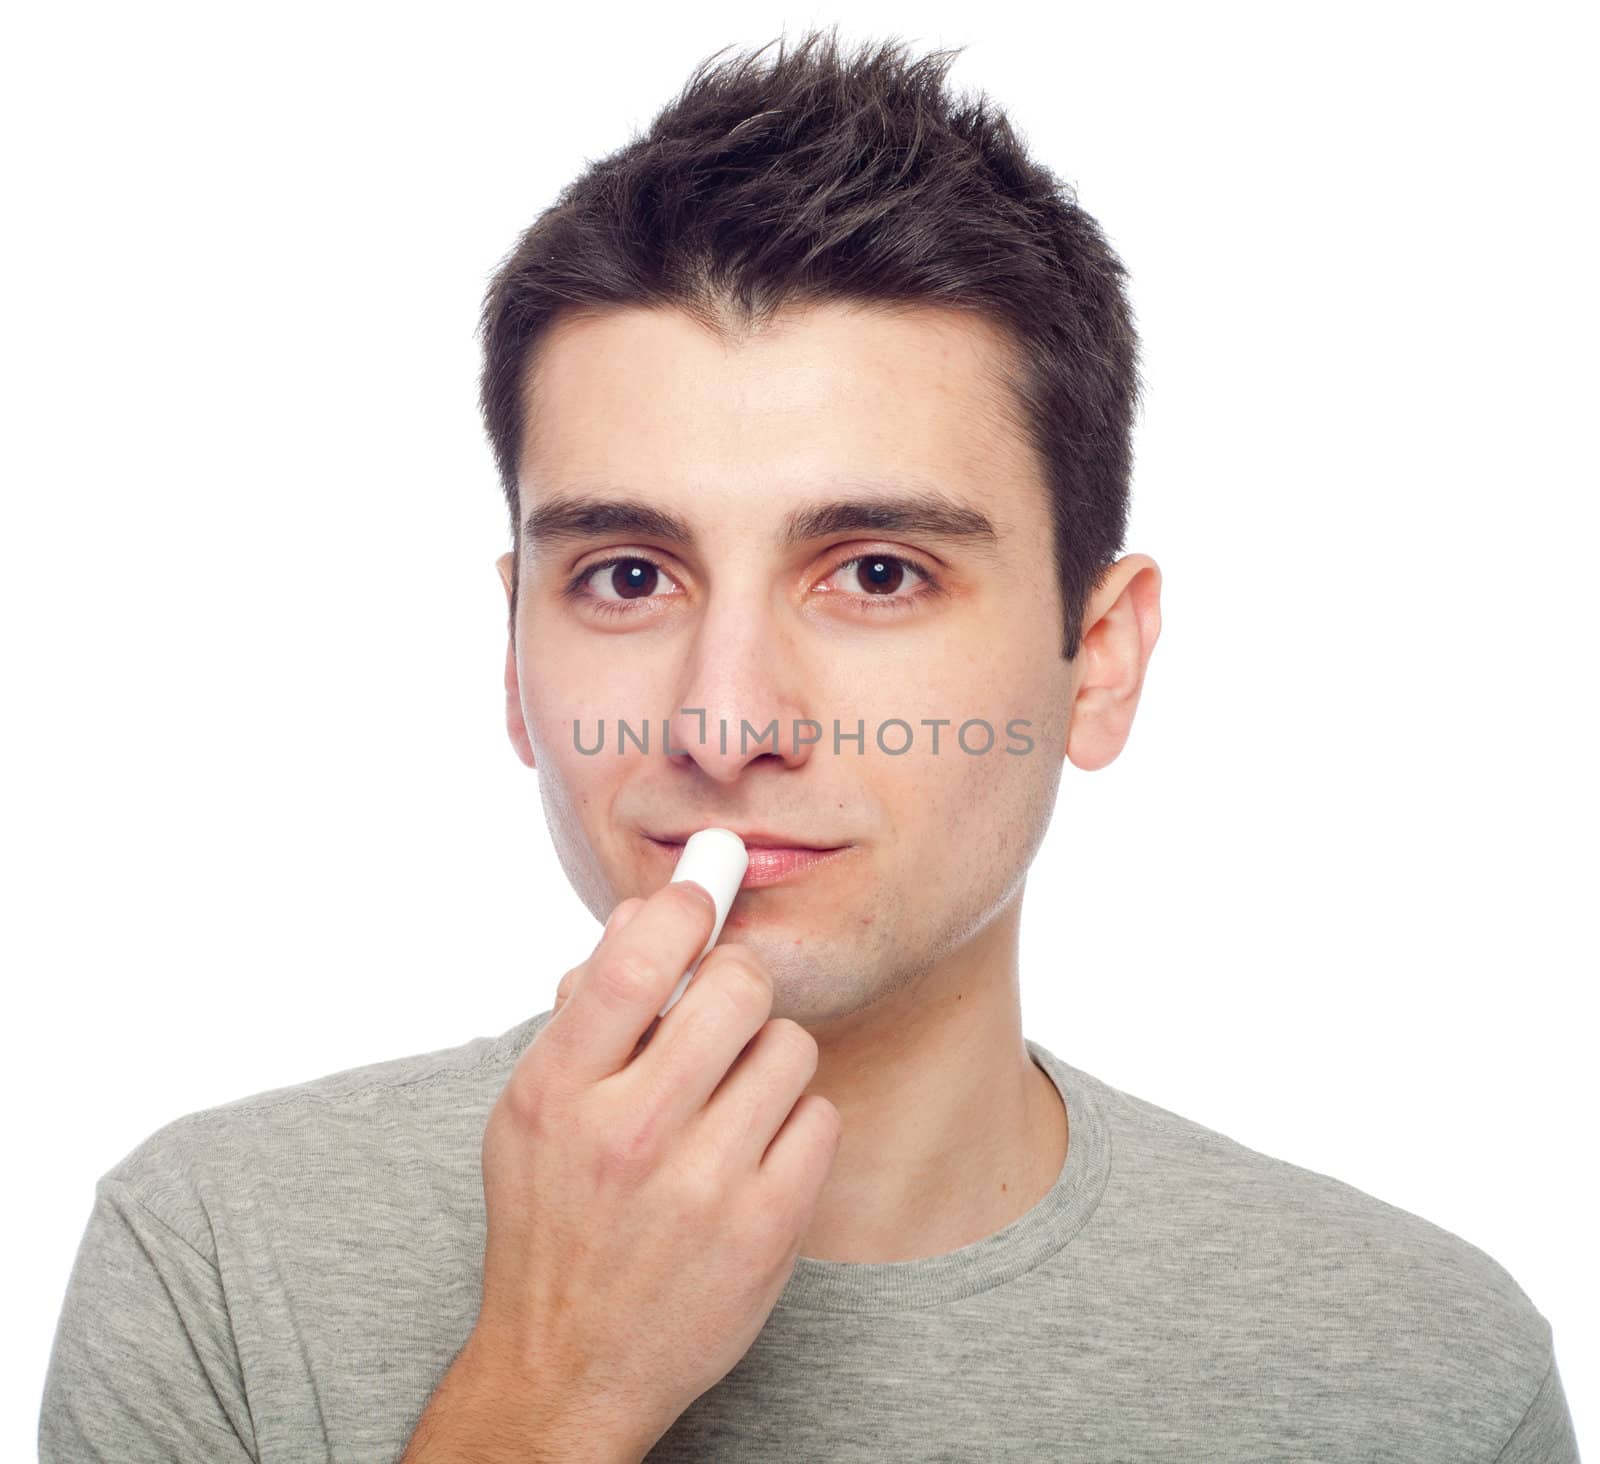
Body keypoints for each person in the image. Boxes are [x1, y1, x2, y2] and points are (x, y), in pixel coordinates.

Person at [39, 27, 1579, 1464]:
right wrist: (548, 1386)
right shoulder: (216, 1265)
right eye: (627, 578)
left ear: (1098, 662)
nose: (724, 723)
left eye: (879, 574)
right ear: (516, 656)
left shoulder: (1417, 1373)